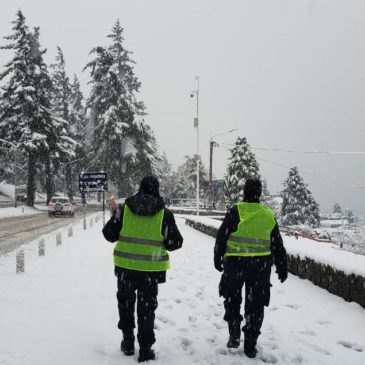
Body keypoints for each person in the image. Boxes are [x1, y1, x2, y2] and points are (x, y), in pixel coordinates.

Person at [102, 176, 183, 362]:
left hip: (125, 268)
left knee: (125, 304)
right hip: (150, 271)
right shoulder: (164, 213)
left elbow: (108, 234)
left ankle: (128, 342)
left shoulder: (123, 210)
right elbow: (175, 242)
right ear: (157, 189)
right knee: (147, 310)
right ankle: (145, 348)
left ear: (140, 188)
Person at [214, 178, 288, 358]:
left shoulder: (235, 211)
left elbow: (222, 237)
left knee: (232, 297)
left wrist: (217, 256)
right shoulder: (268, 215)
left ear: (244, 192)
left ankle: (234, 331)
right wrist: (282, 265)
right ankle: (250, 342)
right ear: (259, 193)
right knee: (255, 304)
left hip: (235, 263)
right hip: (260, 266)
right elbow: (277, 244)